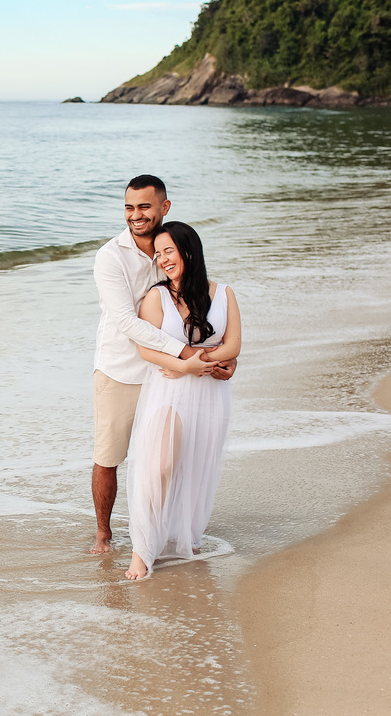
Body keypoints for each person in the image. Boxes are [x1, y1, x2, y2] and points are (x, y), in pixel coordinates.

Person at [90, 175, 233, 555]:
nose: (135, 215)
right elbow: (127, 322)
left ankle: (166, 529)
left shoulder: (169, 247)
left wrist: (224, 357)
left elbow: (197, 306)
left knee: (168, 457)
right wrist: (185, 355)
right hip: (122, 369)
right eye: (128, 207)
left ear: (164, 207)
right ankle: (104, 533)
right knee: (109, 455)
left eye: (144, 207)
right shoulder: (110, 256)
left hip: (168, 376)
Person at [124, 221, 241, 580]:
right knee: (158, 467)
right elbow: (146, 348)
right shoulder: (156, 298)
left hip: (210, 395)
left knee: (195, 467)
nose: (162, 260)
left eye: (168, 251)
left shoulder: (224, 294)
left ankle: (182, 537)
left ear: (189, 250)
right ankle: (142, 549)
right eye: (158, 254)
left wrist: (199, 365)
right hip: (169, 390)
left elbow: (234, 345)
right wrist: (187, 365)